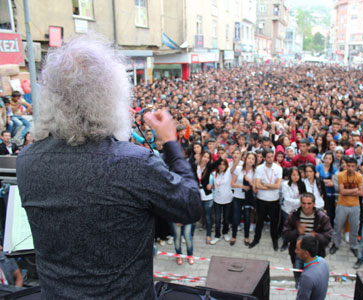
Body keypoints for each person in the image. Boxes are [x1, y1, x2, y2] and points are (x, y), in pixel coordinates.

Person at [16, 35, 202, 300]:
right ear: (110, 96)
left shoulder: (27, 161)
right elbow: (191, 204)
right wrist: (171, 142)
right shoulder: (133, 163)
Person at [283, 193, 332, 286]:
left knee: (315, 279)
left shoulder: (322, 217)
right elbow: (286, 234)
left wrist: (316, 236)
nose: (306, 206)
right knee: (298, 277)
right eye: (304, 203)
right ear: (300, 203)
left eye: (309, 203)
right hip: (298, 254)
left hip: (315, 256)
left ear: (314, 204)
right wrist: (297, 232)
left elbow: (328, 238)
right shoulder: (293, 215)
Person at [330, 157, 363, 257]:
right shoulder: (341, 175)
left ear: (356, 167)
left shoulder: (359, 176)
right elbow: (342, 191)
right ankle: (336, 244)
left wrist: (350, 191)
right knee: (338, 226)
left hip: (355, 205)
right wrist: (355, 190)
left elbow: (361, 192)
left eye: (353, 166)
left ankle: (354, 246)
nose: (350, 168)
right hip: (342, 204)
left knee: (354, 227)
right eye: (348, 166)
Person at [250, 148, 283, 250]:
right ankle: (256, 239)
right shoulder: (259, 168)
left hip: (274, 200)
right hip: (261, 200)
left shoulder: (278, 168)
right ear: (264, 158)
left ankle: (274, 240)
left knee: (274, 222)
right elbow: (258, 185)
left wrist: (264, 184)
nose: (270, 159)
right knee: (259, 221)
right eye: (268, 157)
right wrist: (271, 185)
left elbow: (278, 186)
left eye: (272, 156)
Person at [231, 152, 257, 246]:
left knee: (247, 218)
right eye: (249, 158)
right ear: (245, 159)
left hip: (248, 198)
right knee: (236, 217)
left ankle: (246, 237)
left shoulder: (255, 172)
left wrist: (250, 181)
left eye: (253, 159)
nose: (250, 160)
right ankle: (234, 236)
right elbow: (232, 184)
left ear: (254, 162)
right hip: (238, 196)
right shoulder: (238, 169)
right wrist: (242, 186)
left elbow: (255, 189)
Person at [294, 235, 330, 300]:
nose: (295, 251)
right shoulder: (324, 262)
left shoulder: (307, 277)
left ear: (306, 254)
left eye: (297, 249)